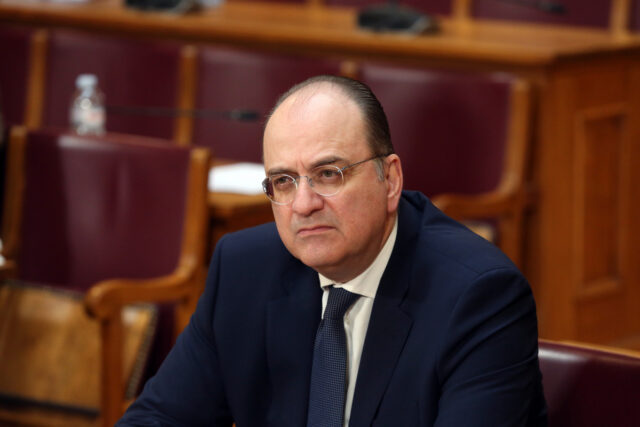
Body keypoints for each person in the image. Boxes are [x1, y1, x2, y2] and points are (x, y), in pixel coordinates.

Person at [117, 75, 547, 426]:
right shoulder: (244, 269)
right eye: (284, 181)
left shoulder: (479, 297)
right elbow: (159, 418)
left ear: (390, 180)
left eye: (328, 174)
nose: (303, 204)